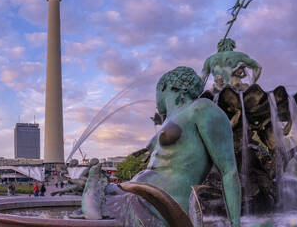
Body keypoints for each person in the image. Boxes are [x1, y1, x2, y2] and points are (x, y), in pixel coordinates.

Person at [86, 66, 241, 226]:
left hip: (163, 206)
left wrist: (235, 223)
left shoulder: (201, 108)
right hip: (136, 195)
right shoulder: (169, 120)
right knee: (93, 197)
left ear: (164, 87)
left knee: (94, 201)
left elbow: (229, 171)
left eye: (156, 93)